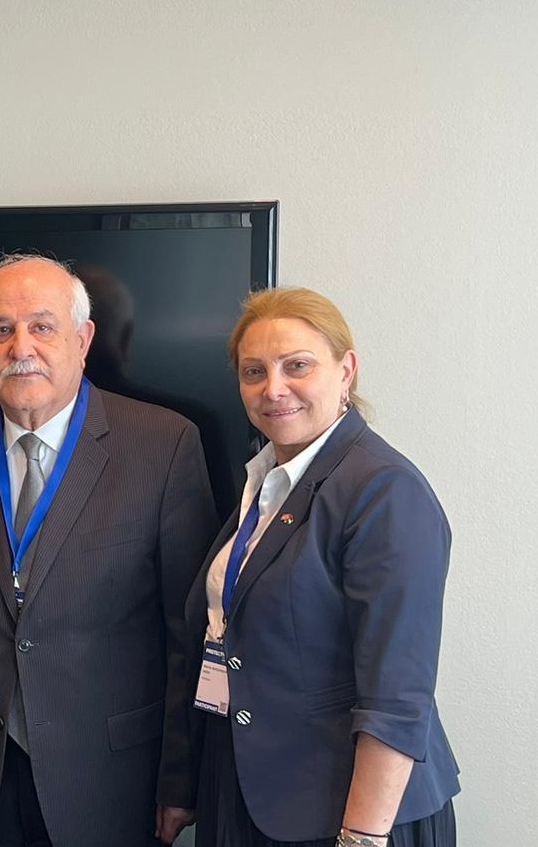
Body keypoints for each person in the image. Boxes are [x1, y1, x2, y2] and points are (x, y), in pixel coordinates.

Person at [0, 254, 219, 847]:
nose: (21, 347)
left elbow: (188, 630)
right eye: (0, 330)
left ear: (83, 339)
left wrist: (182, 776)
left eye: (42, 326)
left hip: (114, 774)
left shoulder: (164, 444)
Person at [186, 287, 459, 847]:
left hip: (349, 814)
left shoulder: (384, 491)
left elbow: (396, 697)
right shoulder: (267, 482)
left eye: (297, 366)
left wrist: (360, 838)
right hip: (256, 790)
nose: (273, 388)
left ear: (346, 371)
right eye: (254, 371)